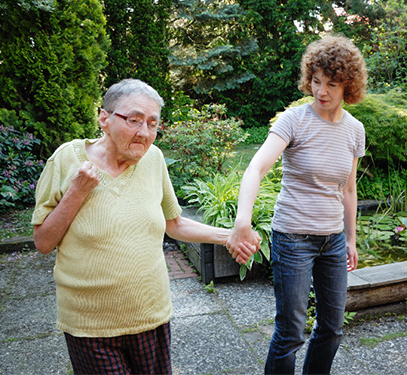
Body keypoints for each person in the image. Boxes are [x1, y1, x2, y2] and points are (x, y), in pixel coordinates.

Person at [31, 78, 258, 374]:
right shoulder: (66, 160)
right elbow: (43, 242)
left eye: (152, 123)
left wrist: (230, 237)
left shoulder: (153, 159)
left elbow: (174, 223)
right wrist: (77, 191)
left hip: (150, 314)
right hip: (90, 324)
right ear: (104, 118)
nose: (144, 133)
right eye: (134, 120)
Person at [226, 34, 368, 374]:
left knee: (332, 329)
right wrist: (242, 220)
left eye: (332, 84)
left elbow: (348, 189)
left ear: (348, 85)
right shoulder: (295, 120)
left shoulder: (354, 130)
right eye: (317, 82)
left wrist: (350, 238)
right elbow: (256, 167)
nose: (322, 91)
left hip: (332, 241)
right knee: (290, 333)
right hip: (292, 239)